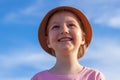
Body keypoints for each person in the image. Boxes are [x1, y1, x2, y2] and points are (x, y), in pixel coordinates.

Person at [31, 6, 105, 80]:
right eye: (55, 27)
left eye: (71, 25)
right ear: (48, 41)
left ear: (83, 38)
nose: (64, 30)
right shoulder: (39, 78)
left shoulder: (95, 76)